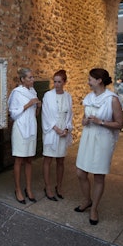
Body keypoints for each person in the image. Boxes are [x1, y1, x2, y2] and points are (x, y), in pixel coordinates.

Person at [75, 68, 123, 225]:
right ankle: (86, 200)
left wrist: (100, 122)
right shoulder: (88, 97)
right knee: (80, 173)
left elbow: (119, 124)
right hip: (88, 138)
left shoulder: (112, 99)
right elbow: (83, 119)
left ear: (99, 80)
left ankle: (94, 208)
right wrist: (85, 121)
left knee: (98, 176)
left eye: (90, 79)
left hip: (103, 140)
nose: (88, 81)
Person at [8, 68, 41, 204]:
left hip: (31, 128)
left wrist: (38, 106)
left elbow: (36, 115)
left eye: (33, 77)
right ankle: (17, 189)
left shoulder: (33, 92)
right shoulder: (16, 93)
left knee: (29, 160)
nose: (32, 80)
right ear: (22, 79)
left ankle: (28, 188)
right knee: (19, 160)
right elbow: (13, 114)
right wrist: (28, 104)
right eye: (30, 78)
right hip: (20, 129)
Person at [41, 70, 73, 201]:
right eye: (54, 81)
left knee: (61, 160)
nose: (56, 84)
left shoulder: (68, 96)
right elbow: (45, 114)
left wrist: (66, 128)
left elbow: (70, 114)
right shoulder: (47, 95)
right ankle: (47, 187)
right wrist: (55, 128)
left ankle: (59, 186)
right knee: (48, 159)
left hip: (63, 130)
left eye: (59, 82)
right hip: (51, 131)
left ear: (64, 82)